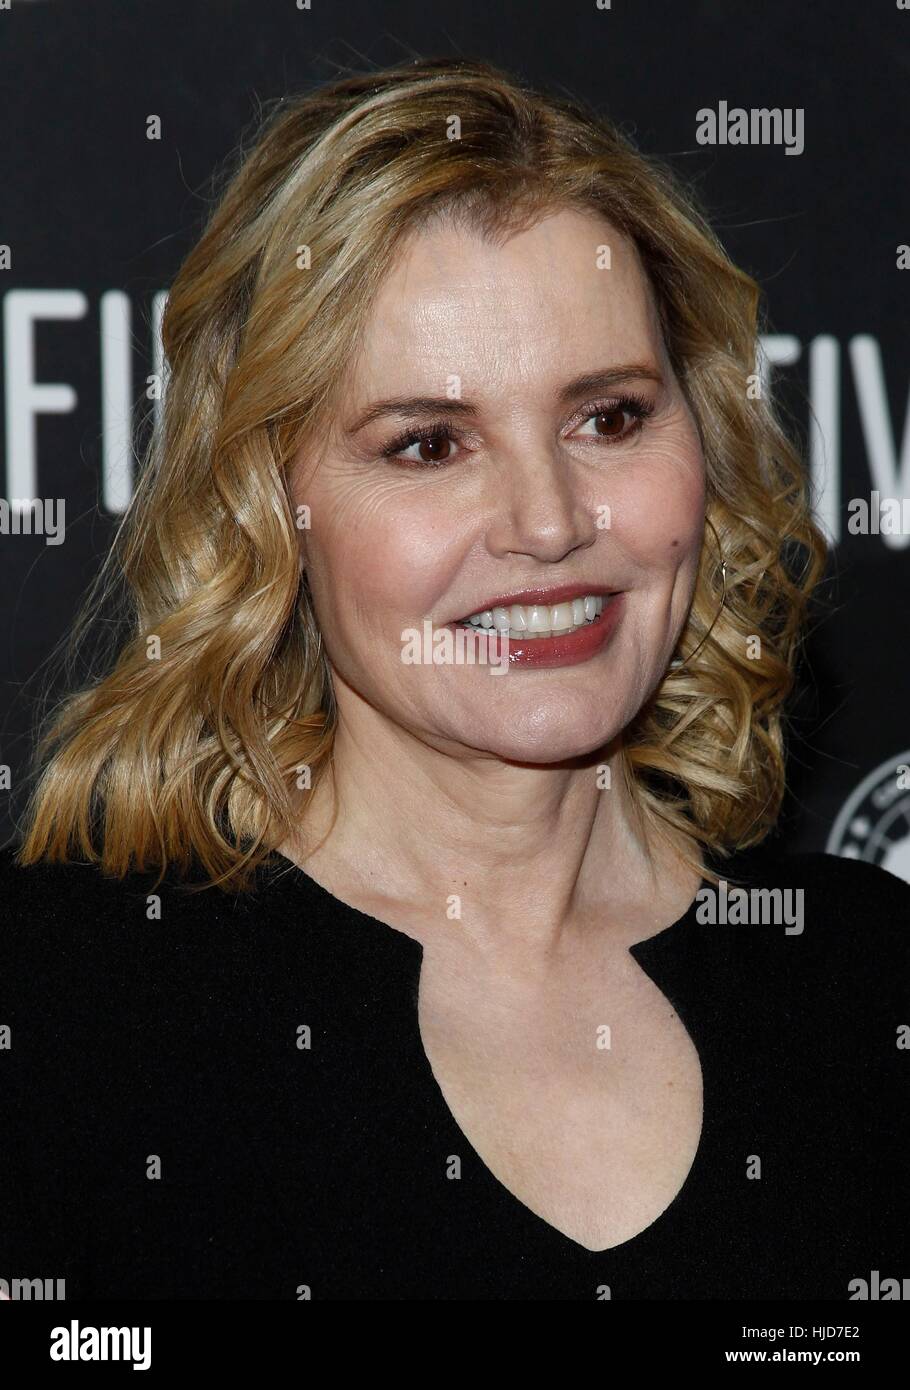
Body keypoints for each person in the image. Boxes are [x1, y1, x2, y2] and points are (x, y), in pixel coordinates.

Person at [2, 57, 907, 1300]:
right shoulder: (60, 1010)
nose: (549, 521)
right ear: (269, 503)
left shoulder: (867, 983)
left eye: (608, 417)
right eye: (428, 443)